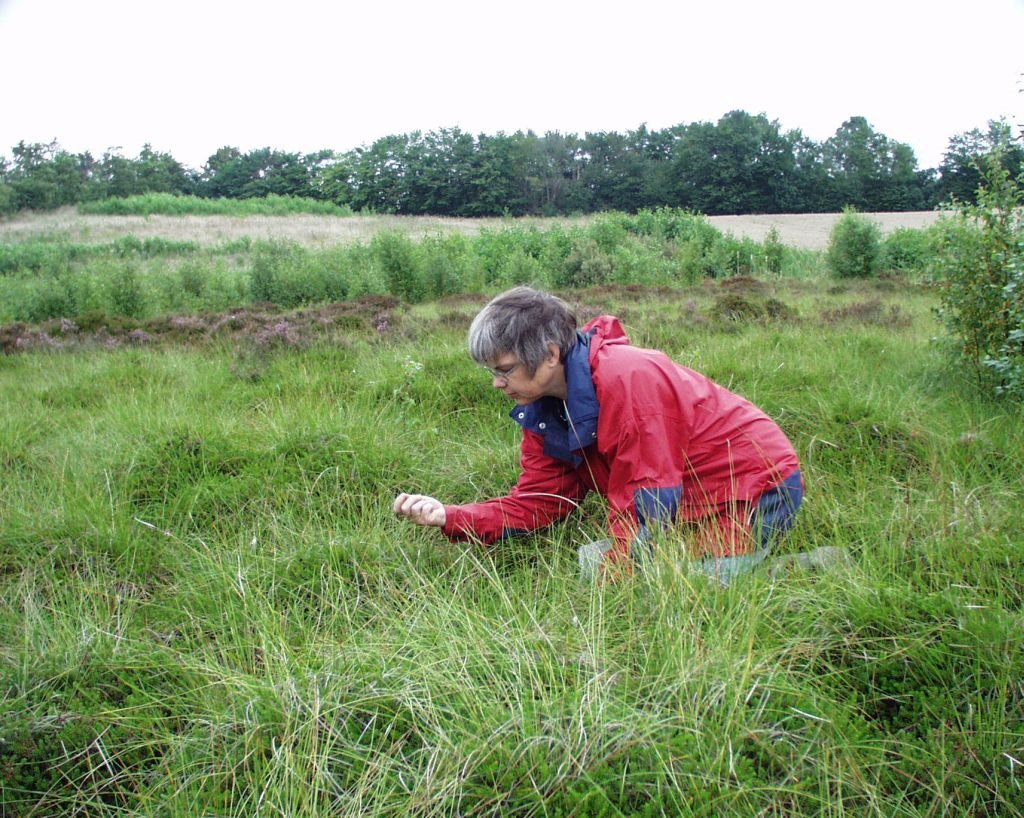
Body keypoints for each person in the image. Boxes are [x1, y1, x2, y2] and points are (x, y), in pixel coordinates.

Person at [393, 287, 804, 581]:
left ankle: (805, 569)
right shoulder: (542, 411)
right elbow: (540, 503)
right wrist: (452, 515)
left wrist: (614, 581)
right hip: (689, 499)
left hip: (757, 489)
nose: (497, 384)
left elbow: (649, 497)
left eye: (504, 370)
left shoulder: (628, 377)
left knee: (669, 583)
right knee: (602, 563)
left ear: (550, 354)